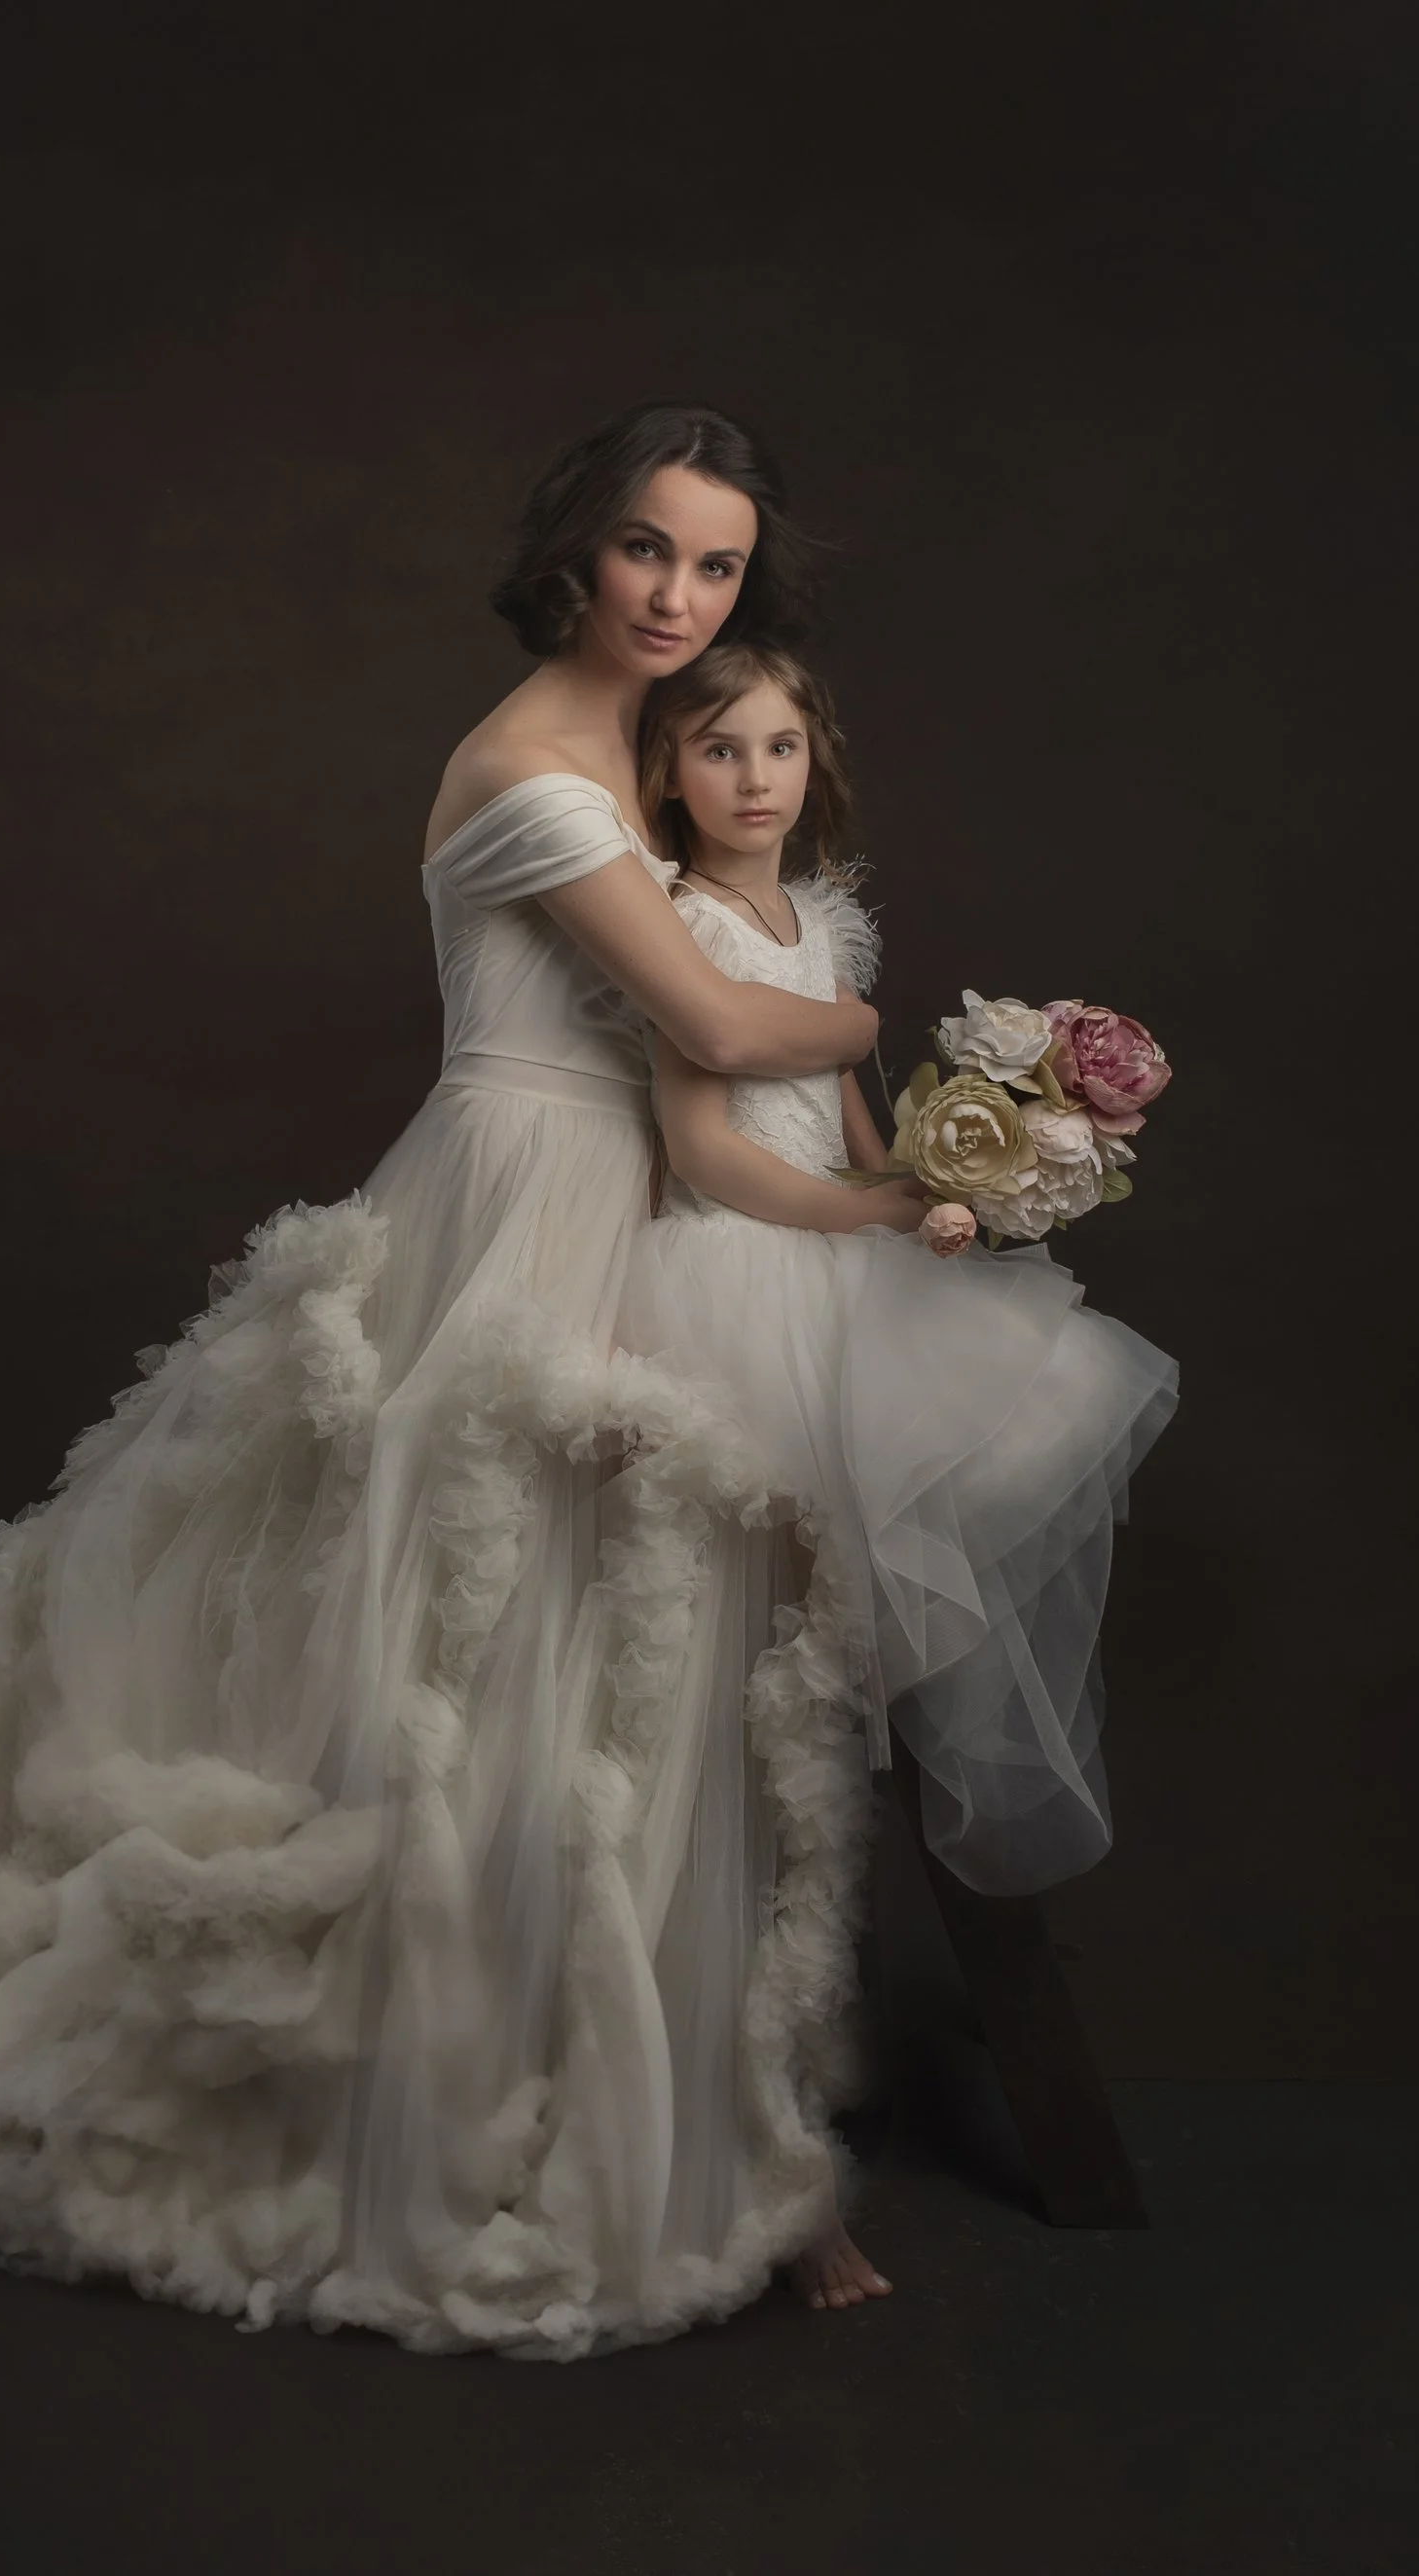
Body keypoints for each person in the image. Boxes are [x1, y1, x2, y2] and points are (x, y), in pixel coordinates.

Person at [0, 404, 887, 2358]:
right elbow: (705, 1013)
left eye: (717, 566)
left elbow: (724, 987)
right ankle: (439, 2108)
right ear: (572, 551)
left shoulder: (662, 745)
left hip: (651, 1199)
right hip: (520, 1196)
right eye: (645, 550)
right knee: (473, 1649)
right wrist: (868, 1015)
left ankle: (697, 2117)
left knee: (647, 1652)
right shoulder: (530, 762)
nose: (679, 596)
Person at [618, 642, 1181, 2303]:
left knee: (863, 1656)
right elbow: (705, 1147)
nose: (755, 778)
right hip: (734, 1281)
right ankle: (751, 2157)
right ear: (666, 775)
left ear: (818, 762)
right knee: (741, 1710)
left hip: (849, 1270)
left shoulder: (826, 920)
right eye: (719, 750)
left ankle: (808, 2103)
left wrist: (936, 1194)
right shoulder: (678, 924)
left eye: (780, 747)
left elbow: (854, 1109)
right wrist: (865, 1212)